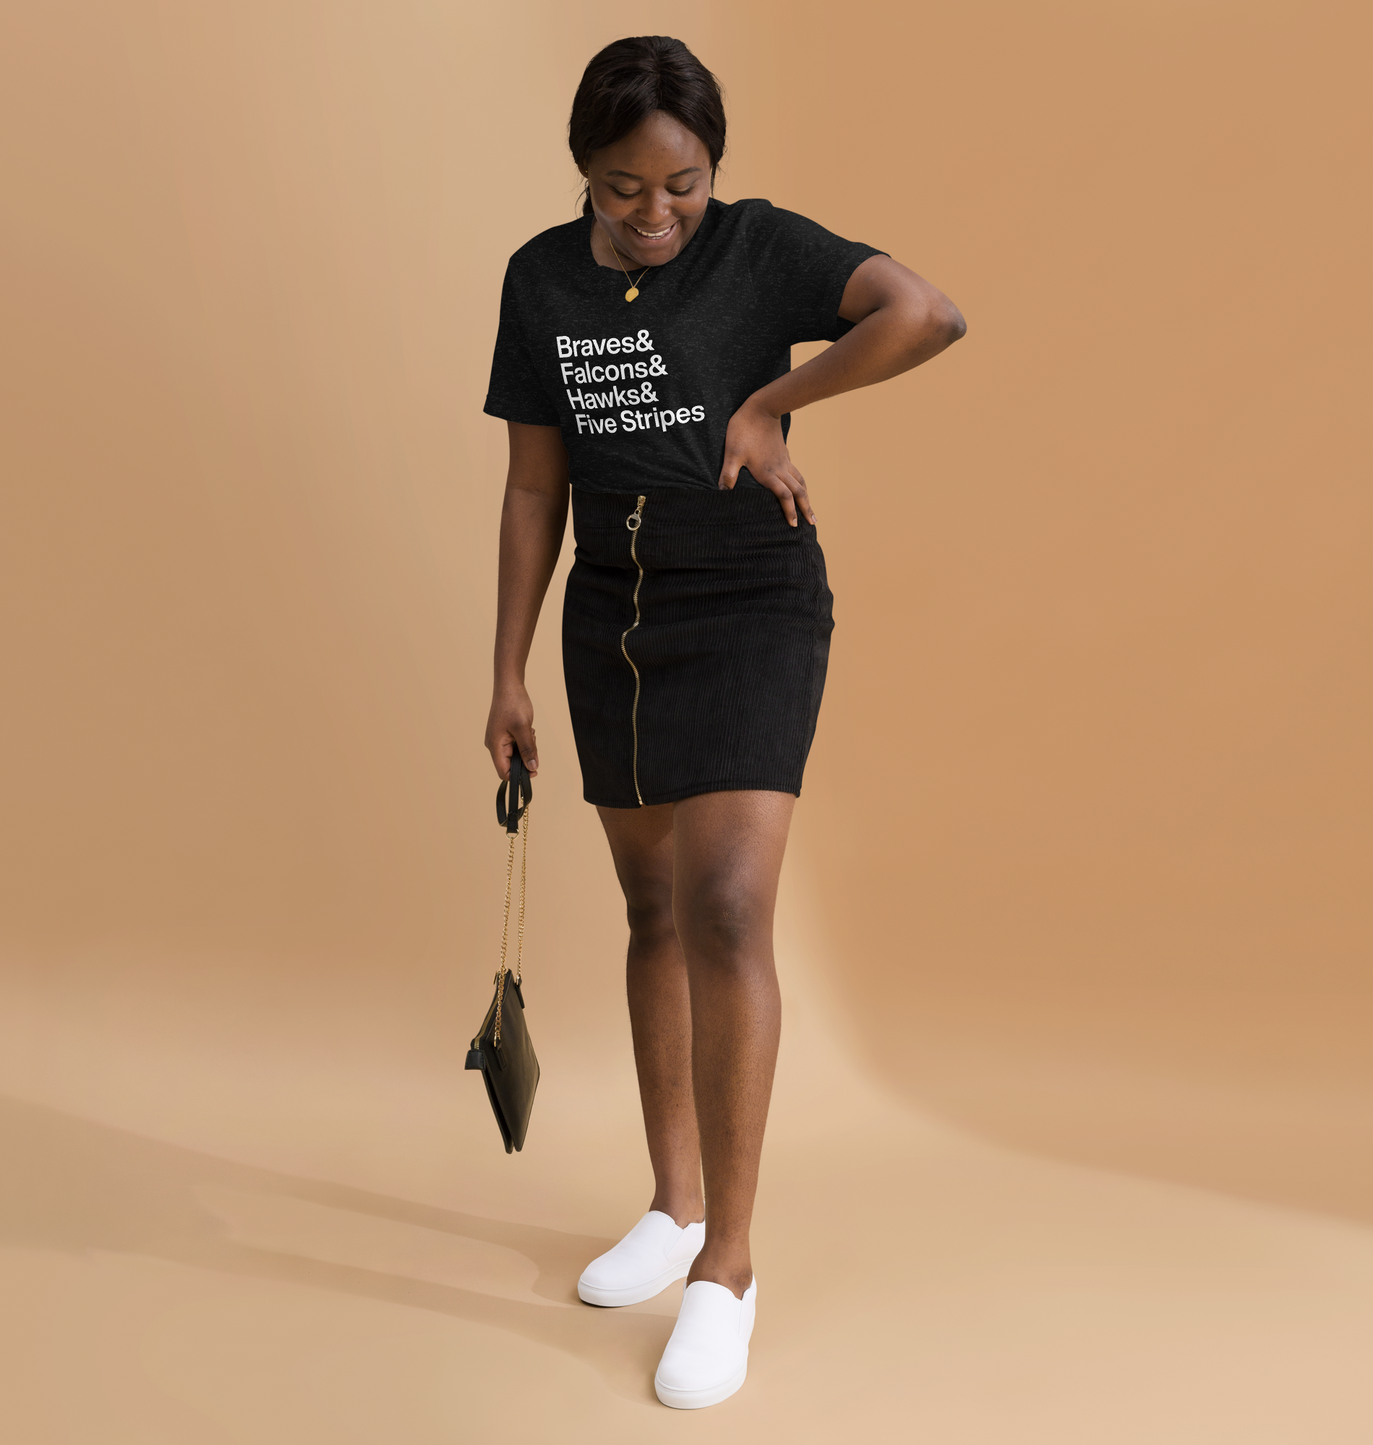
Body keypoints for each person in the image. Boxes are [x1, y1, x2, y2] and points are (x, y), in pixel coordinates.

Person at [483, 34, 964, 1410]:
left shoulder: (759, 252)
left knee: (731, 908)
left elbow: (926, 312)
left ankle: (729, 1272)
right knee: (650, 915)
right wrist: (508, 673)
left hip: (750, 593)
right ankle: (674, 1207)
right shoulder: (539, 280)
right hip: (613, 609)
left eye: (681, 185)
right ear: (586, 169)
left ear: (714, 169)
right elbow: (532, 490)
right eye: (624, 188)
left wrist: (775, 399)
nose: (654, 215)